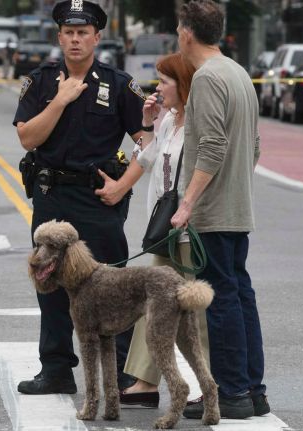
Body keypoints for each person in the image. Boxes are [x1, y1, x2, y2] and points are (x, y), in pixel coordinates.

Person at [13, 0, 146, 395]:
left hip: (98, 198)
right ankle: (56, 369)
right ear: (59, 37)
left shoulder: (118, 85)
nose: (75, 39)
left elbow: (148, 143)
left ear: (96, 37)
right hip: (52, 195)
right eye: (68, 32)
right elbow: (27, 137)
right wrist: (60, 100)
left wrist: (123, 186)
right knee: (49, 280)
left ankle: (121, 373)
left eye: (82, 32)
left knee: (114, 284)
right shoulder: (41, 81)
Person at [171, 0, 266, 420]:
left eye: (179, 29)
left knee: (221, 298)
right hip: (237, 205)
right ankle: (252, 389)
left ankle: (231, 393)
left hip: (214, 209)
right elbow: (254, 146)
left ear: (187, 33)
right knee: (240, 294)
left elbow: (211, 146)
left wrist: (187, 202)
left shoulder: (208, 78)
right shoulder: (238, 73)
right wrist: (236, 186)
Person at [98, 53, 204, 409]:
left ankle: (206, 384)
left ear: (183, 85)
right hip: (163, 227)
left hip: (187, 227)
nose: (158, 88)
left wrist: (189, 207)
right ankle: (144, 383)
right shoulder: (170, 119)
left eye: (165, 81)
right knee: (153, 303)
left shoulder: (198, 123)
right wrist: (146, 124)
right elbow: (145, 158)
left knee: (195, 311)